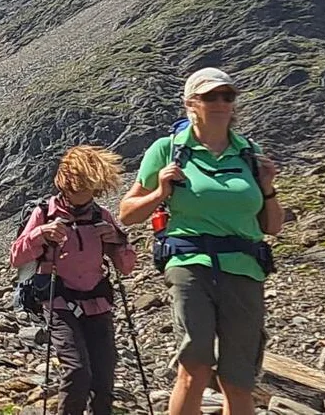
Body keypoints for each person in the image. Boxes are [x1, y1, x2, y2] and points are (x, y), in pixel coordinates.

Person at [119, 68, 283, 415]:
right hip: (190, 263)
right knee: (195, 367)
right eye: (211, 96)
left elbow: (272, 226)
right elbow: (127, 213)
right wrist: (161, 191)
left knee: (239, 379)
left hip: (245, 268)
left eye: (228, 96)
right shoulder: (168, 151)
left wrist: (268, 188)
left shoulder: (249, 153)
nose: (221, 103)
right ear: (191, 103)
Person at [10, 146, 135, 415]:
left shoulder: (102, 217)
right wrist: (41, 234)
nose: (83, 194)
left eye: (89, 187)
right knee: (77, 371)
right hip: (59, 302)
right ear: (66, 184)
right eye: (80, 186)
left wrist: (117, 239)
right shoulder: (44, 213)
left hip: (97, 303)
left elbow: (126, 267)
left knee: (103, 379)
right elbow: (16, 257)